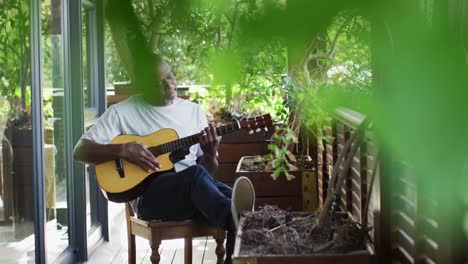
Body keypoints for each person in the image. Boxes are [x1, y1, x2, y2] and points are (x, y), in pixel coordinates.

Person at [73, 55, 255, 264]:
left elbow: (208, 171)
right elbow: (80, 151)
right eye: (159, 83)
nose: (169, 84)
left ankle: (236, 221)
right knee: (208, 187)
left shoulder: (192, 111)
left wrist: (210, 153)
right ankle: (233, 218)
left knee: (233, 201)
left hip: (196, 196)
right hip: (151, 200)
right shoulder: (122, 112)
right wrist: (123, 149)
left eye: (170, 76)